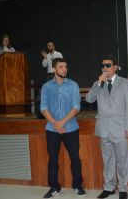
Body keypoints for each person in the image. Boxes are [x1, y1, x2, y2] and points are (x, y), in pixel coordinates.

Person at [85, 56, 128, 199]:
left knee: (122, 160)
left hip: (120, 128)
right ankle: (109, 187)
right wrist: (98, 84)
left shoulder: (124, 83)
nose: (105, 68)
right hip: (104, 128)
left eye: (108, 65)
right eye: (103, 66)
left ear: (115, 67)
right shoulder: (98, 83)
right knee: (107, 160)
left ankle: (123, 188)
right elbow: (89, 99)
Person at [40, 58, 85, 198]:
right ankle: (54, 187)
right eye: (61, 67)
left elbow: (76, 107)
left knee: (75, 158)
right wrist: (55, 123)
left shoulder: (73, 85)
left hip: (71, 128)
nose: (64, 69)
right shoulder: (47, 86)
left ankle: (77, 185)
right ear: (54, 69)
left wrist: (62, 122)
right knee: (53, 160)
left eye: (65, 67)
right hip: (52, 129)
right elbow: (43, 107)